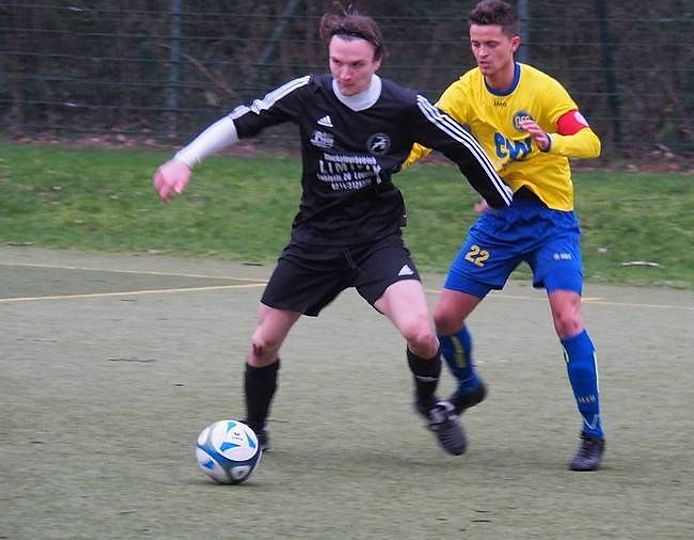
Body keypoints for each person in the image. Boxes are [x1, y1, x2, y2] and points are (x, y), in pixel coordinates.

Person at [152, 3, 512, 457]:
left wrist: (502, 200)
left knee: (422, 334)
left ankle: (429, 405)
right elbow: (245, 119)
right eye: (337, 62)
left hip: (375, 242)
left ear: (378, 60)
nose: (345, 74)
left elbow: (464, 147)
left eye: (356, 65)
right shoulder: (309, 93)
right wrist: (184, 160)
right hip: (314, 242)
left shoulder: (404, 106)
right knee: (262, 343)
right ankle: (255, 430)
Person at [404, 0, 605, 470]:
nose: (482, 53)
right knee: (444, 319)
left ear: (513, 43)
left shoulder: (543, 89)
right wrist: (394, 161)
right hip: (499, 222)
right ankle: (469, 385)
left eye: (491, 44)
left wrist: (551, 141)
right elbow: (425, 135)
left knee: (567, 319)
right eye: (475, 43)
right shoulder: (465, 91)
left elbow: (590, 142)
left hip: (551, 222)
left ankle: (592, 433)